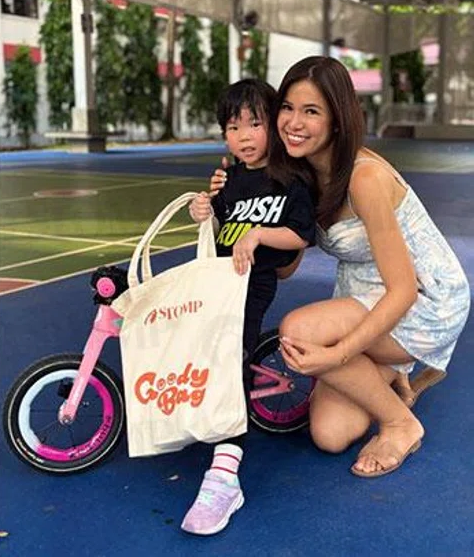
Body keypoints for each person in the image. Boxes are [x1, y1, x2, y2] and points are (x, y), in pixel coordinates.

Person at [213, 56, 469, 478]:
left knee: (299, 330)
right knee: (330, 434)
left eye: (312, 111)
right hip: (363, 291)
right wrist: (239, 202)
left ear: (337, 120)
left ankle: (401, 424)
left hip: (423, 298)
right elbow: (285, 270)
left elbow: (403, 290)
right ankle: (388, 373)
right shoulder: (298, 175)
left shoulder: (364, 179)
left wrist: (338, 353)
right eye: (288, 108)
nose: (294, 122)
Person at [181, 79, 316, 536]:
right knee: (198, 345)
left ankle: (224, 473)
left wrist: (259, 235)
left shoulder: (291, 179)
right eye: (233, 127)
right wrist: (203, 209)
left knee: (229, 357)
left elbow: (300, 235)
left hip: (252, 283)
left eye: (255, 124)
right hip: (218, 280)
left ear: (274, 125)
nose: (244, 136)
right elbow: (221, 222)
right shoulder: (231, 178)